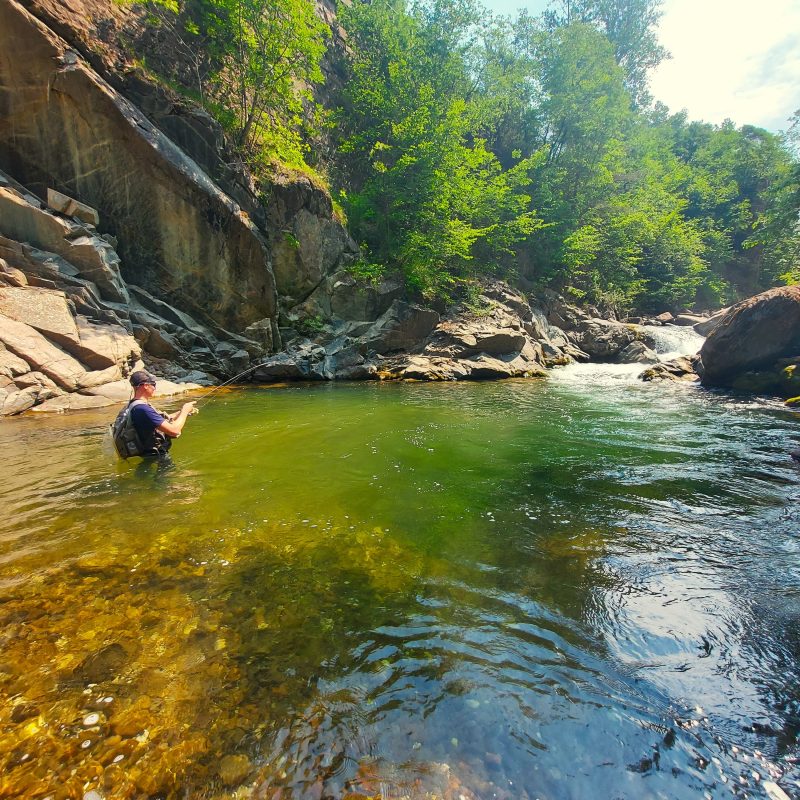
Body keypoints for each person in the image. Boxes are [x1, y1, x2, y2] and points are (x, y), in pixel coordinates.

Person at [128, 370, 198, 459]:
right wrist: (185, 410)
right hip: (155, 457)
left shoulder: (134, 404)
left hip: (148, 455)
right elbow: (174, 431)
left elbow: (156, 420)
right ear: (146, 386)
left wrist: (180, 413)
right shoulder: (143, 409)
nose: (154, 388)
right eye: (153, 384)